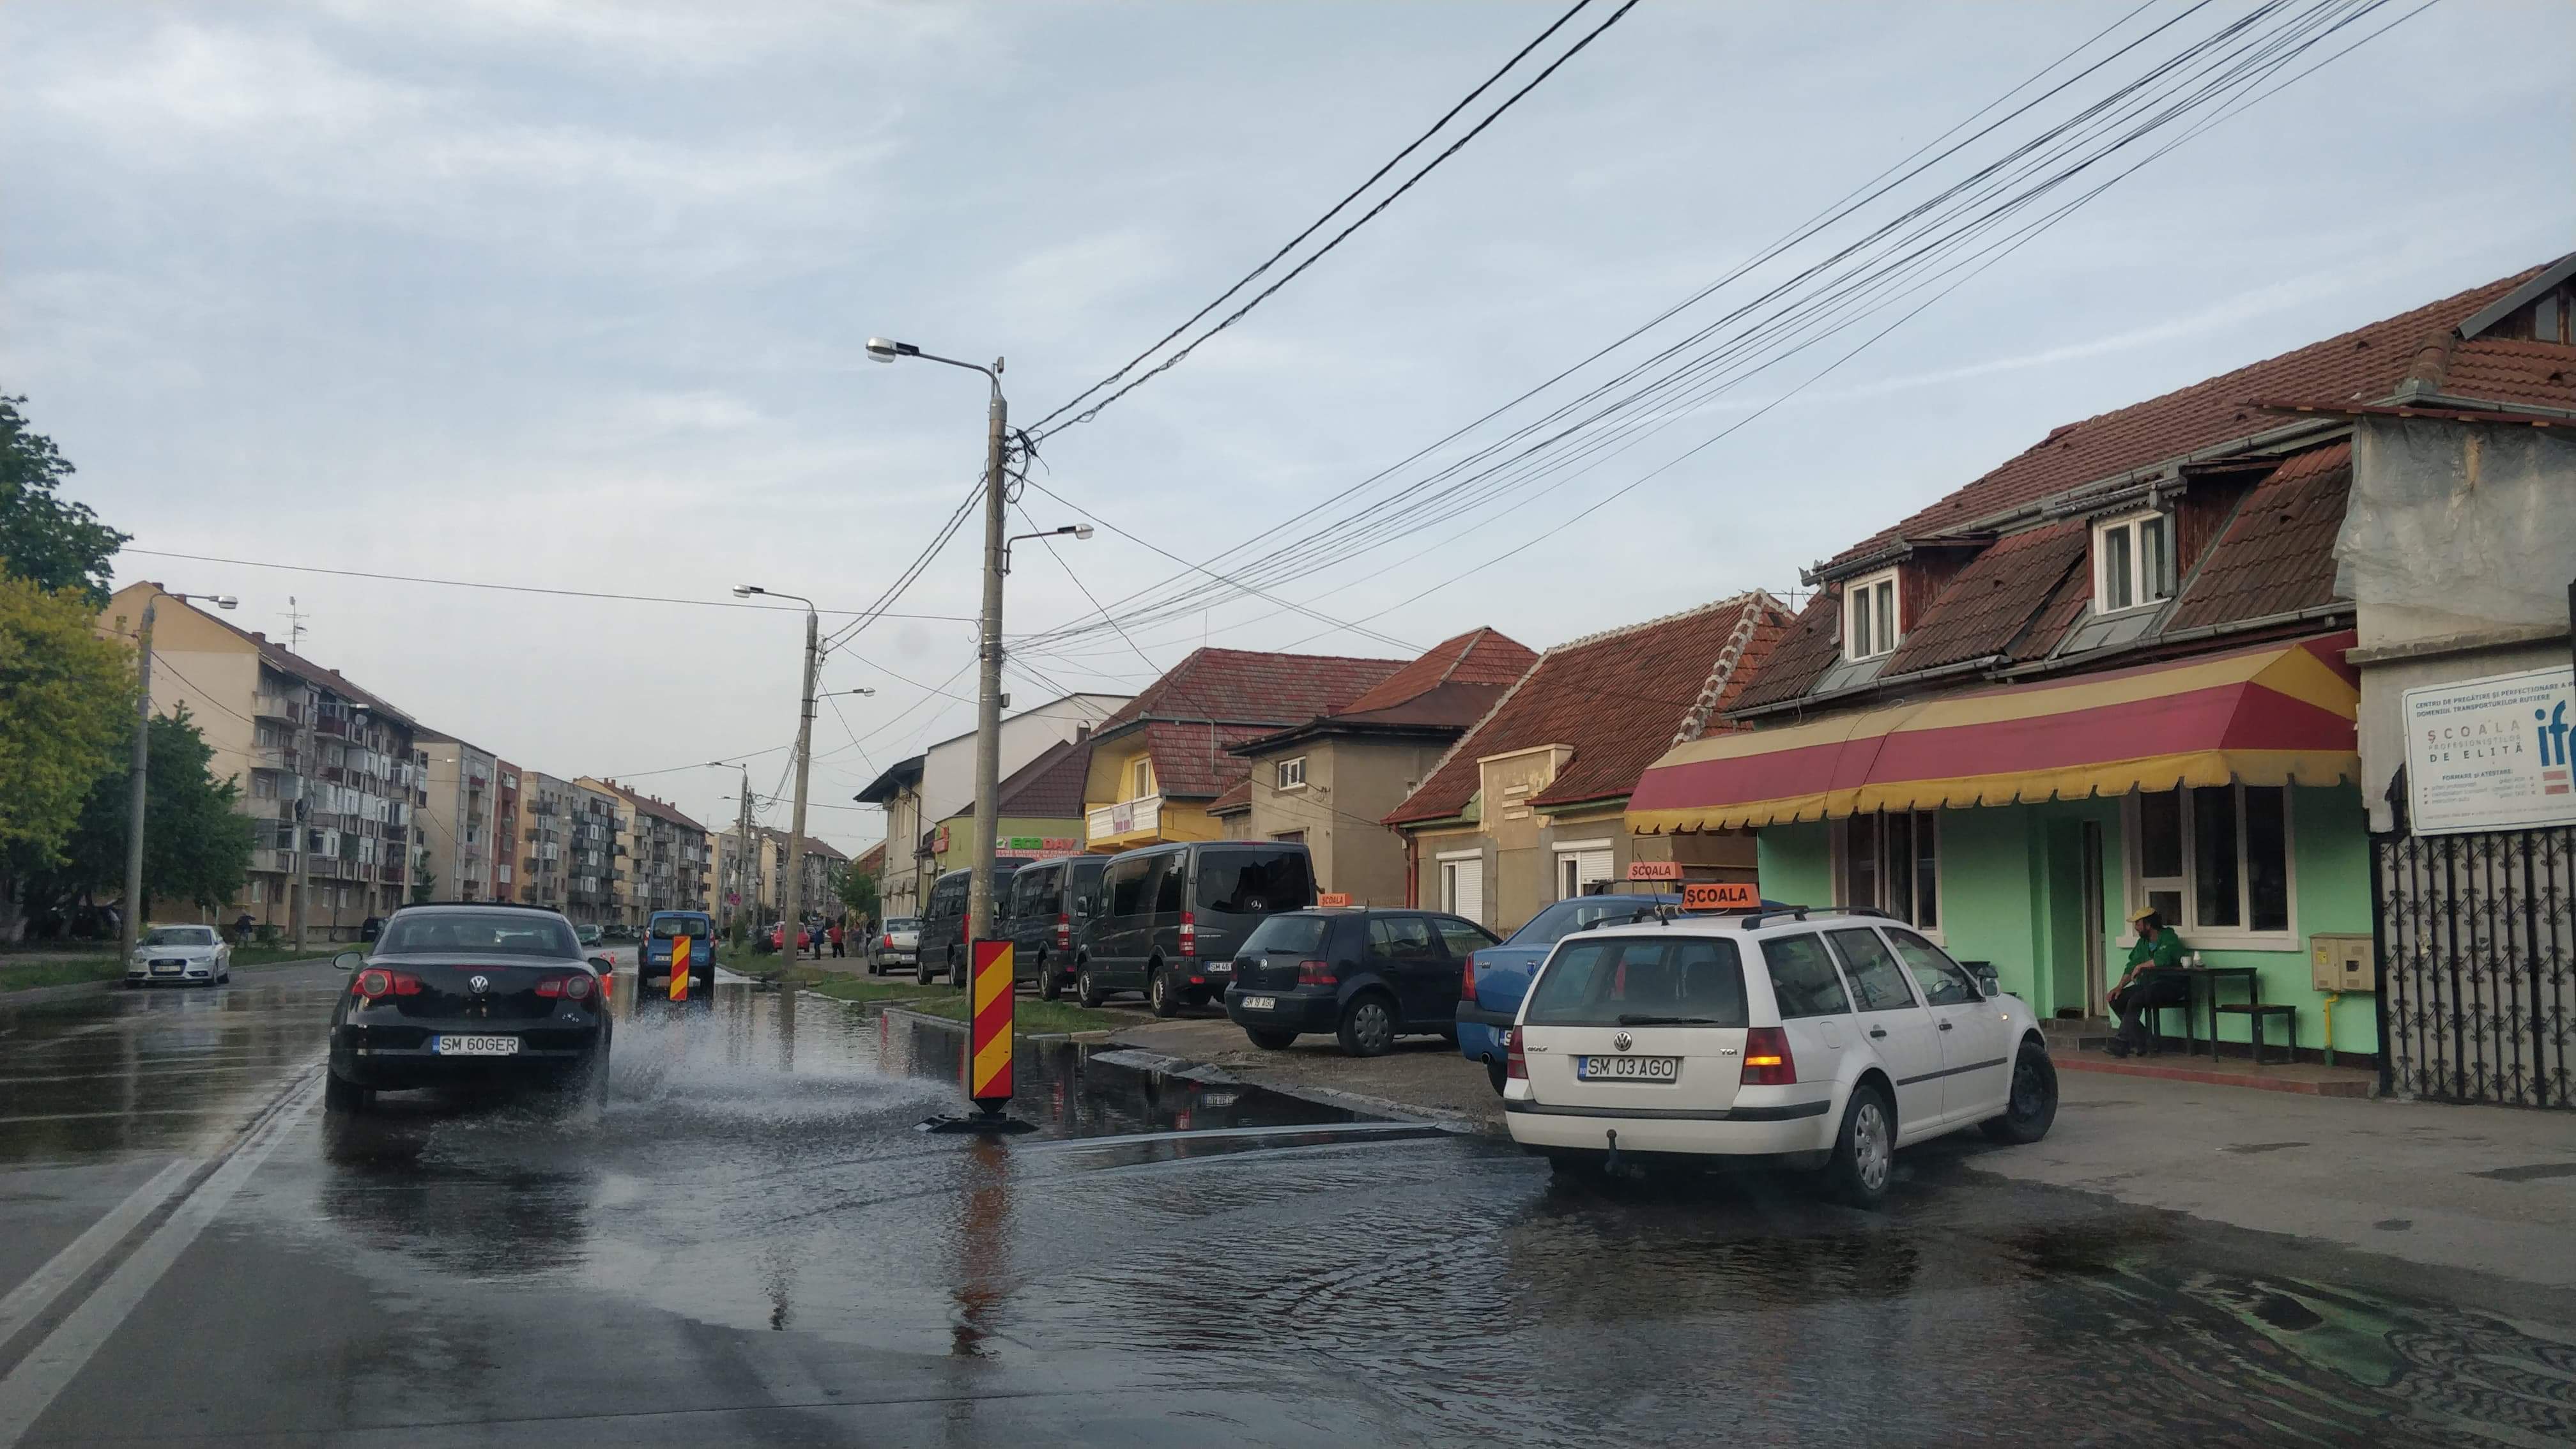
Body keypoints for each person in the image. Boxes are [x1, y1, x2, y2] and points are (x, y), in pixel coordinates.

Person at [2106, 906, 2189, 1057]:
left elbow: (2163, 960)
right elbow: (2131, 966)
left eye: (2138, 924)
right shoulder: (2142, 943)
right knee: (2116, 999)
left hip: (2171, 985)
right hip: (2148, 985)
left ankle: (2122, 1042)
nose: (2136, 928)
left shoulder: (2169, 937)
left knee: (2137, 999)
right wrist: (2119, 986)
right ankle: (2146, 1040)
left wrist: (2141, 966)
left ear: (2148, 925)